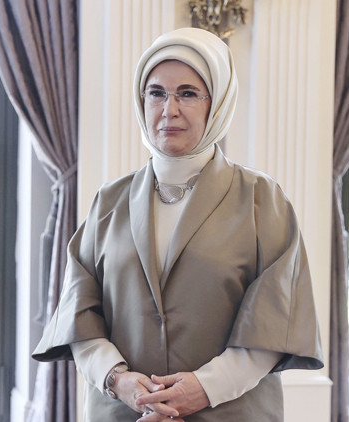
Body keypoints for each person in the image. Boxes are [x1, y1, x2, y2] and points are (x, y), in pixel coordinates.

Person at [32, 27, 324, 421]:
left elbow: (276, 323)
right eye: (156, 93)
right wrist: (118, 380)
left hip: (229, 412)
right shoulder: (109, 201)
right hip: (122, 411)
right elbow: (78, 316)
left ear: (217, 103)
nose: (169, 109)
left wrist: (204, 389)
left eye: (187, 93)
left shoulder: (262, 200)